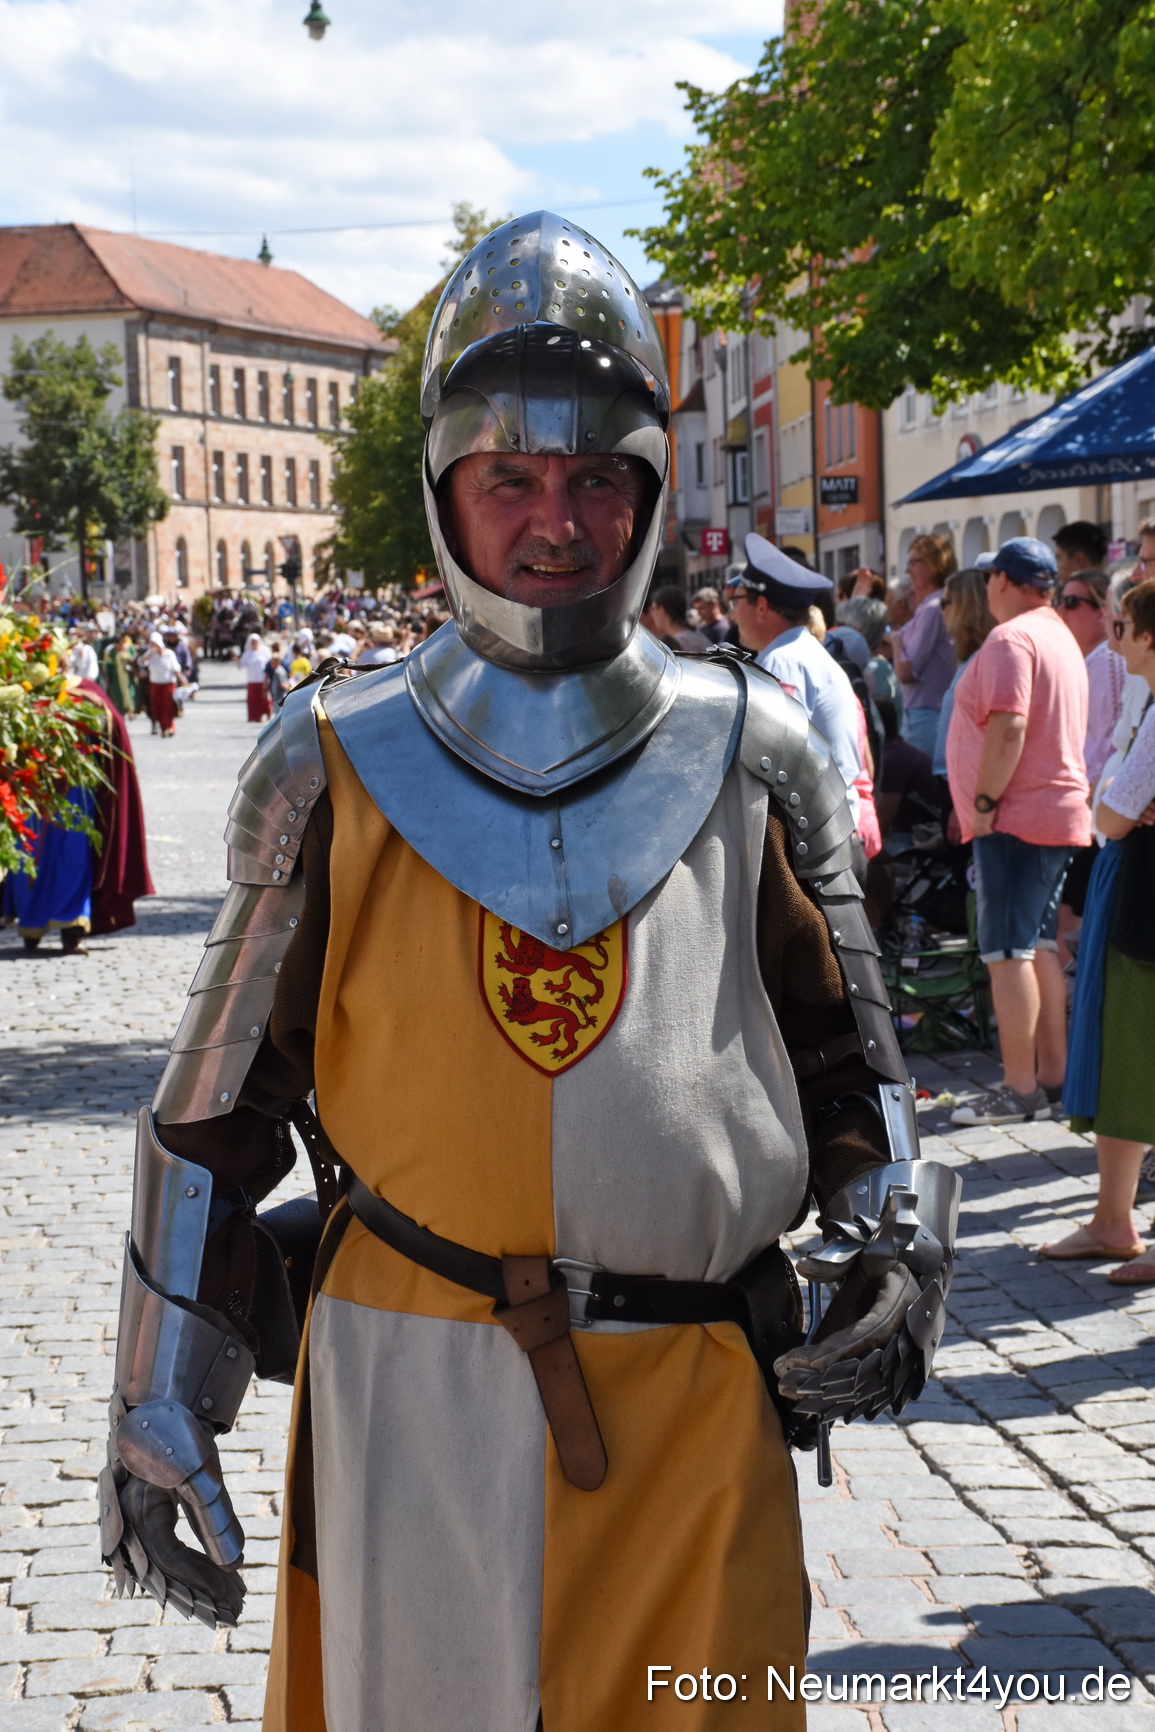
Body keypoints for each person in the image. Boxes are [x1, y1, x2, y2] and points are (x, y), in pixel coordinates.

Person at [102, 212, 957, 1732]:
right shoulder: (329, 762)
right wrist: (156, 1397)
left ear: (642, 492)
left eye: (591, 480)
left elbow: (853, 1064)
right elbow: (217, 1111)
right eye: (510, 479)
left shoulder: (752, 751)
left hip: (696, 1399)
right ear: (447, 492)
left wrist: (896, 1256)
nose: (552, 520)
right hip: (408, 1384)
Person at [947, 537, 1090, 1127]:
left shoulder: (1013, 637)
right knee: (1039, 949)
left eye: (988, 580)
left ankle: (1020, 1088)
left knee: (1008, 951)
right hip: (1051, 813)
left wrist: (983, 802)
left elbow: (1009, 726)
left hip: (1016, 816)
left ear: (1003, 581)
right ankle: (1050, 1082)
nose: (985, 591)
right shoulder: (1057, 633)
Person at [1043, 578, 1155, 1281]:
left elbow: (1109, 814)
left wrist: (1115, 803)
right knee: (1125, 1053)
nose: (1112, 640)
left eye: (1121, 628)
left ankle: (1114, 1221)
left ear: (1146, 636)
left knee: (1130, 1051)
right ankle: (1111, 1219)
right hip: (1136, 888)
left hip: (1142, 897)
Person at [3, 675, 154, 952]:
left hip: (74, 793)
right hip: (33, 789)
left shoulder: (86, 691)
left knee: (71, 858)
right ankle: (32, 927)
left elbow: (112, 729)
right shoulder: (20, 690)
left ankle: (70, 929)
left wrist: (96, 710)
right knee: (30, 857)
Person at [726, 535, 864, 826]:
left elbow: (769, 760)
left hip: (815, 833)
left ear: (762, 606)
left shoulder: (783, 661)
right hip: (829, 827)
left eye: (736, 601)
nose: (733, 615)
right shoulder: (798, 652)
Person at [895, 534, 957, 756]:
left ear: (933, 564)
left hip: (926, 715)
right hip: (926, 713)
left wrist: (895, 642)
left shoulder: (932, 608)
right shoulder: (930, 606)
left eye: (913, 563)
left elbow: (906, 672)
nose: (907, 571)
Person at [932, 568, 996, 779]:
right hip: (954, 783)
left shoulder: (984, 660)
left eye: (945, 603)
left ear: (965, 607)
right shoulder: (971, 658)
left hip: (965, 788)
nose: (941, 611)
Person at [142, 631, 182, 737]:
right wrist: (151, 653)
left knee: (168, 707)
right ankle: (163, 727)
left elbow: (176, 668)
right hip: (155, 684)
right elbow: (141, 662)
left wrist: (182, 680)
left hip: (168, 683)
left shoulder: (169, 654)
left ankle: (171, 727)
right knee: (157, 707)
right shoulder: (150, 654)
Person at [1053, 519, 1108, 586]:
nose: (1056, 567)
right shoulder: (1115, 590)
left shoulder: (1073, 593)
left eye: (1059, 559)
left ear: (1078, 560)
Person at [239, 632, 271, 723]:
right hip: (252, 680)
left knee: (263, 698)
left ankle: (265, 714)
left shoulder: (264, 651)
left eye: (255, 641)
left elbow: (269, 663)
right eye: (252, 642)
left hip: (262, 679)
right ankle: (254, 717)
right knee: (253, 700)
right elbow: (241, 664)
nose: (254, 643)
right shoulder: (248, 653)